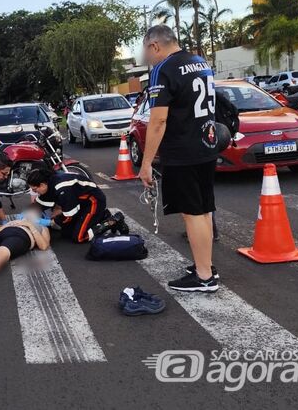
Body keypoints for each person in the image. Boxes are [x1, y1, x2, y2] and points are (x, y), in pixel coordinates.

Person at [139, 24, 220, 292]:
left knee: (192, 213)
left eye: (146, 50)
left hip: (183, 151)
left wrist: (146, 162)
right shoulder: (199, 61)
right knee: (204, 209)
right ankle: (204, 264)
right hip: (206, 145)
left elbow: (158, 120)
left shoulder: (164, 69)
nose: (147, 56)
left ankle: (204, 276)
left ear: (155, 46)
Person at [26, 168, 124, 243]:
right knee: (65, 232)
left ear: (42, 184)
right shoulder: (49, 184)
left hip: (94, 201)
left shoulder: (61, 188)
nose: (35, 193)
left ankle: (112, 221)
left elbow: (69, 215)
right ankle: (103, 216)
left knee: (79, 237)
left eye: (35, 190)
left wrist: (51, 222)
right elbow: (39, 204)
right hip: (80, 203)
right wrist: (26, 215)